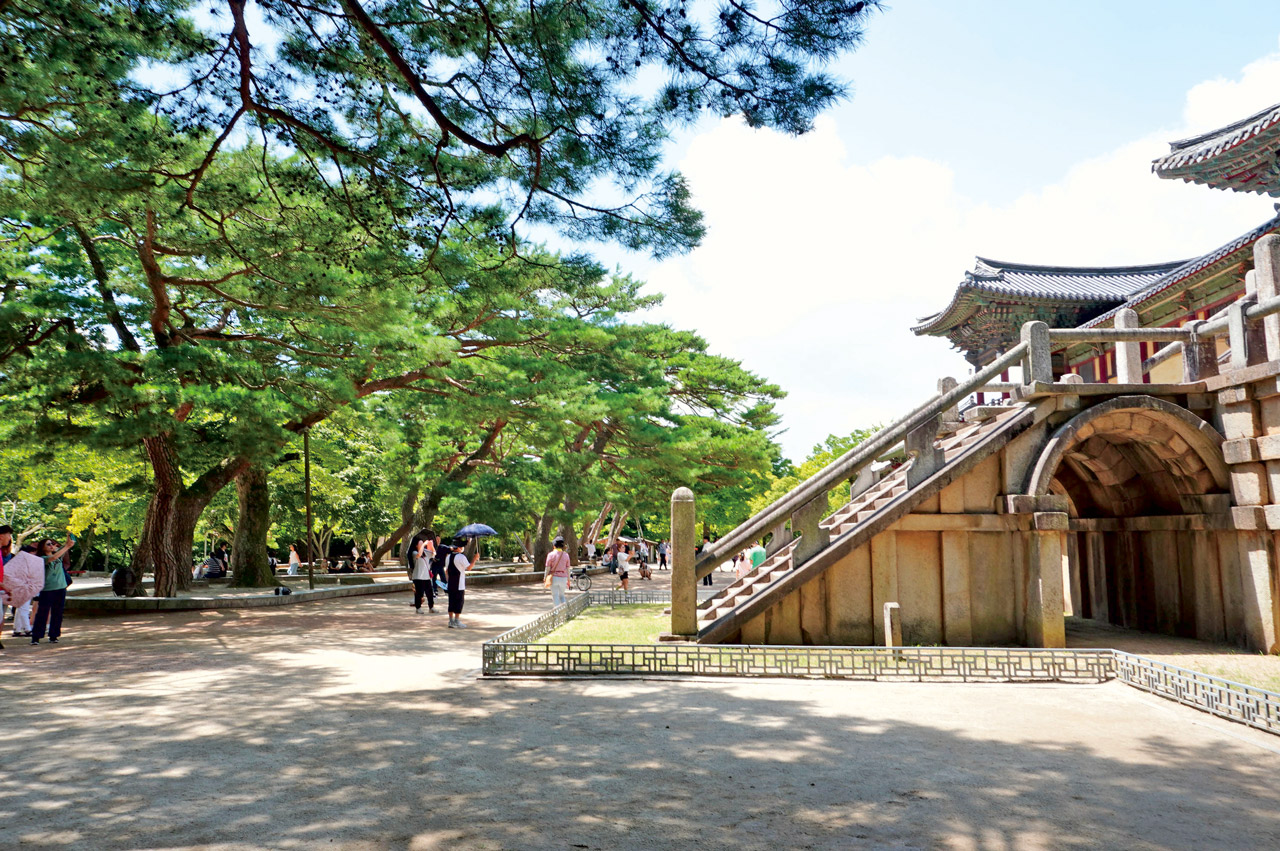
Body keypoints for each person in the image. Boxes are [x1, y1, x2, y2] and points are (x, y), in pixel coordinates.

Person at [1, 525, 44, 642]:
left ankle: (18, 628)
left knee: (15, 610)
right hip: (16, 587)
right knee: (23, 609)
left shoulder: (13, 558)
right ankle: (26, 628)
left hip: (11, 587)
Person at [31, 534, 74, 645]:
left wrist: (68, 539)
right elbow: (53, 558)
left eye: (52, 544)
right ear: (42, 547)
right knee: (42, 613)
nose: (51, 546)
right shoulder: (42, 559)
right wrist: (67, 546)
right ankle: (36, 636)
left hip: (60, 588)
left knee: (58, 613)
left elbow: (60, 553)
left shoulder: (58, 556)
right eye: (48, 544)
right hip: (48, 589)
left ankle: (54, 635)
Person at [445, 537, 473, 629]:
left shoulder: (448, 557)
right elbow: (469, 568)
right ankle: (457, 621)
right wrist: (475, 559)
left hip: (450, 584)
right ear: (460, 547)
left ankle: (451, 621)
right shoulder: (461, 557)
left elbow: (447, 571)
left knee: (451, 602)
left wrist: (447, 582)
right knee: (459, 602)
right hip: (459, 584)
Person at [409, 529, 437, 614]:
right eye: (420, 543)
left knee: (430, 593)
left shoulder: (426, 553)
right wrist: (424, 544)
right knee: (419, 593)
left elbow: (434, 553)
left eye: (422, 543)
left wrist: (431, 545)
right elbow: (419, 555)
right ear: (417, 545)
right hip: (418, 576)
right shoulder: (414, 552)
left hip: (426, 576)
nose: (422, 544)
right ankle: (418, 608)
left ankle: (431, 607)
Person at [544, 537, 572, 607]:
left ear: (554, 545)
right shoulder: (566, 555)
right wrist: (569, 580)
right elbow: (568, 569)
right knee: (562, 595)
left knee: (555, 595)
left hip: (554, 577)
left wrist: (545, 577)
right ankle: (564, 611)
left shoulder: (550, 555)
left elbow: (547, 568)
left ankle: (557, 612)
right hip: (563, 578)